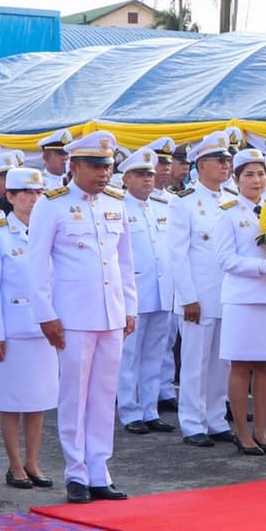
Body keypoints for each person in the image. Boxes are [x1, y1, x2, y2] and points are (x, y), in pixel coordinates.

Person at [27, 130, 135, 502]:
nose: (103, 173)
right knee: (74, 396)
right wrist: (45, 314)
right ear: (73, 166)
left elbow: (124, 262)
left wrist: (129, 308)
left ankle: (99, 469)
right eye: (94, 166)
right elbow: (37, 262)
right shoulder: (52, 204)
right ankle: (76, 471)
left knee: (104, 396)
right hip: (72, 316)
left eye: (107, 166)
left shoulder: (116, 203)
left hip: (111, 314)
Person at [217, 146, 266, 455]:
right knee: (241, 365)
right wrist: (263, 266)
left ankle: (262, 431)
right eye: (248, 174)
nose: (256, 180)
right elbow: (225, 260)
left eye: (261, 173)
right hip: (243, 298)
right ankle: (242, 432)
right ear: (237, 179)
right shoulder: (229, 213)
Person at [0, 167, 55, 488]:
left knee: (39, 400)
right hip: (13, 328)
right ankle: (14, 464)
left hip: (44, 328)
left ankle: (33, 461)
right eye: (26, 193)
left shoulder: (50, 230)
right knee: (12, 401)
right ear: (10, 197)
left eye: (38, 193)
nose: (33, 199)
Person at [168, 131, 233, 447]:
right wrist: (188, 298)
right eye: (219, 160)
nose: (225, 166)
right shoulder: (184, 202)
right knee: (195, 362)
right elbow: (177, 254)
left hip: (229, 295)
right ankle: (193, 422)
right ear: (201, 164)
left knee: (222, 363)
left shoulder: (231, 199)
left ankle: (216, 418)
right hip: (199, 296)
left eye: (228, 160)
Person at [115, 148, 175, 435]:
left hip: (162, 291)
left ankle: (150, 409)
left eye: (150, 174)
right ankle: (129, 410)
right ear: (125, 178)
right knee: (129, 355)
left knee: (155, 352)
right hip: (133, 293)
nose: (148, 180)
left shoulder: (163, 206)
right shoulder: (117, 208)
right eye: (140, 175)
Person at [38, 128, 73, 194]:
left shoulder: (74, 180)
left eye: (67, 153)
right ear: (46, 157)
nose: (65, 157)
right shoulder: (39, 183)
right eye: (60, 154)